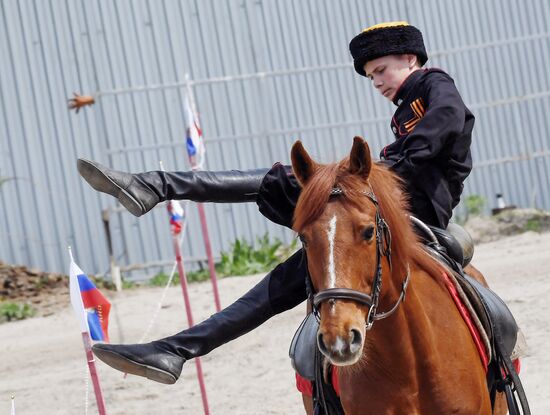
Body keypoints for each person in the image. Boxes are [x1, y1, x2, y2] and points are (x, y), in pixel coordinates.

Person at [79, 21, 473, 395]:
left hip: (413, 219)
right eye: (371, 76)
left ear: (410, 59)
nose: (377, 82)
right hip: (384, 209)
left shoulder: (436, 86)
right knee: (284, 257)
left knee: (288, 180)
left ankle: (154, 187)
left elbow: (444, 124)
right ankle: (175, 349)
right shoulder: (408, 104)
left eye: (381, 70)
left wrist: (376, 173)